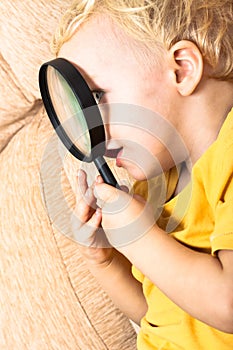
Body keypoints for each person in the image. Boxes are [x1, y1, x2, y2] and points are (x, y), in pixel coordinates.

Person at [50, 0, 233, 349]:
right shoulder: (154, 189)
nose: (92, 128)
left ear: (182, 69)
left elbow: (227, 305)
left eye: (97, 95)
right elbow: (159, 314)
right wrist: (103, 261)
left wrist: (138, 237)